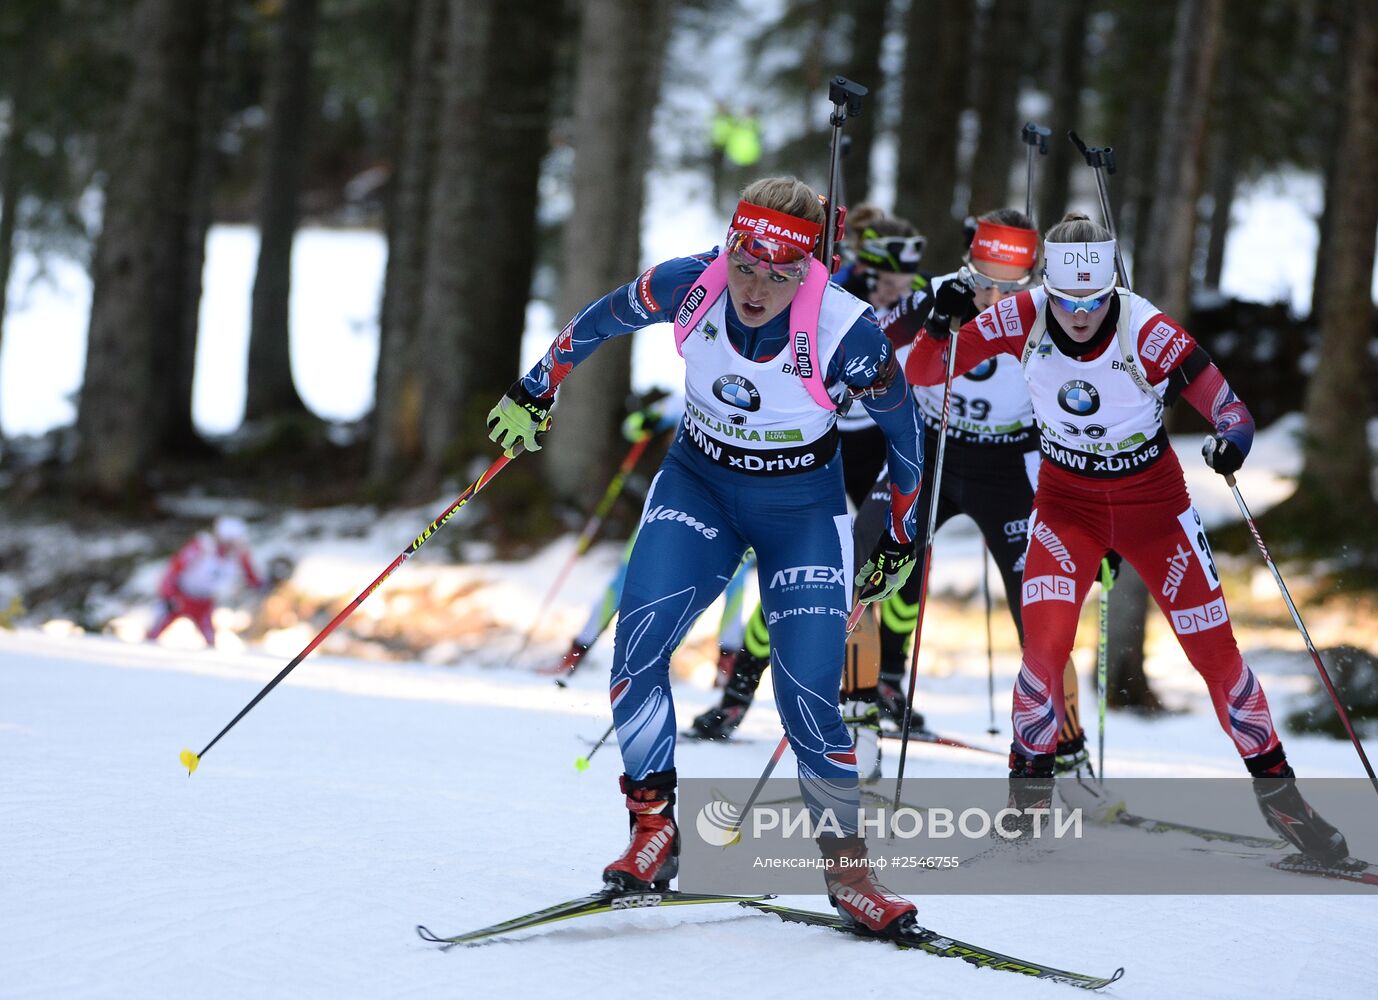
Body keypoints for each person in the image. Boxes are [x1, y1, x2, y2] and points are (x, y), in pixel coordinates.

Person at [486, 177, 926, 934]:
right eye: (745, 265)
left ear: (808, 269)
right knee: (637, 649)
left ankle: (851, 872)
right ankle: (653, 828)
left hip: (801, 510)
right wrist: (536, 391)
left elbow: (908, 433)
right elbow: (595, 322)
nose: (755, 288)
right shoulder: (689, 282)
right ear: (730, 248)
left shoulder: (846, 331)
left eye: (779, 273)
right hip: (699, 488)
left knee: (808, 695)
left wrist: (900, 535)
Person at [903, 211, 1349, 863]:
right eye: (1066, 299)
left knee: (1217, 660)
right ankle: (1027, 803)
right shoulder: (1021, 316)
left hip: (1155, 513)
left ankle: (1287, 806)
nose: (1079, 314)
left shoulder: (1147, 329)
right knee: (1044, 651)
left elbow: (1232, 408)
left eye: (1093, 299)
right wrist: (941, 322)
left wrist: (1231, 441)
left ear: (1112, 286)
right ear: (1046, 286)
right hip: (1066, 509)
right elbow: (923, 371)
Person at [686, 209, 928, 742]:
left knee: (902, 558)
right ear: (866, 266)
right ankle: (737, 695)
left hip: (879, 445)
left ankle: (887, 681)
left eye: (905, 281)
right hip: (827, 440)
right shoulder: (835, 292)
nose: (895, 290)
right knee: (797, 571)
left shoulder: (923, 300)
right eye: (886, 279)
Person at [147, 516, 263, 647]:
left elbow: (251, 576)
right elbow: (174, 569)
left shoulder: (238, 554)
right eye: (229, 541)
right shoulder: (202, 546)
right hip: (181, 597)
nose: (232, 546)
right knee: (152, 636)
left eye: (235, 541)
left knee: (210, 642)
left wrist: (261, 586)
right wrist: (168, 595)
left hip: (205, 602)